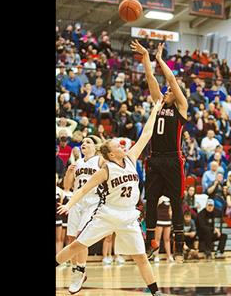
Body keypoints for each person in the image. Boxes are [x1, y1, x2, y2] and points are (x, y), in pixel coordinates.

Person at [56, 98, 164, 296]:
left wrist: (155, 109)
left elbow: (146, 135)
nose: (123, 146)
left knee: (141, 257)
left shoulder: (130, 159)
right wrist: (69, 204)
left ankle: (156, 292)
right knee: (77, 245)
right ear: (112, 154)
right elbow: (82, 190)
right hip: (106, 214)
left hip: (128, 216)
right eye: (118, 146)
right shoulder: (106, 169)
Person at [130, 40, 188, 262]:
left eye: (170, 90)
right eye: (165, 91)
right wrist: (146, 57)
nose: (166, 91)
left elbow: (171, 80)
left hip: (173, 160)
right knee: (151, 199)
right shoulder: (158, 104)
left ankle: (179, 242)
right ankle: (150, 241)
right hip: (155, 159)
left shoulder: (181, 107)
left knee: (176, 200)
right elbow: (151, 79)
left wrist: (160, 59)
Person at [63, 136, 105, 293]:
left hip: (92, 202)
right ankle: (77, 270)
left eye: (88, 142)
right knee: (71, 238)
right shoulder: (77, 163)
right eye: (83, 143)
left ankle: (79, 270)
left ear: (95, 147)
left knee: (82, 237)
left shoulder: (99, 160)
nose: (84, 144)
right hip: (77, 201)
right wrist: (68, 172)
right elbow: (67, 187)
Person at [153, 196, 174, 263]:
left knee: (167, 239)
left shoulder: (169, 197)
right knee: (157, 239)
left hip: (167, 220)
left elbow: (170, 209)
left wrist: (170, 216)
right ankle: (156, 256)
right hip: (159, 220)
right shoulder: (159, 197)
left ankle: (169, 256)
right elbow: (154, 208)